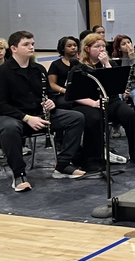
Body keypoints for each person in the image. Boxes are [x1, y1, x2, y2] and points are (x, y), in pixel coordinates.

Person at [0, 31, 87, 190]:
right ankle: (19, 174)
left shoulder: (38, 69)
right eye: (26, 44)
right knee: (9, 128)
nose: (31, 47)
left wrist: (51, 102)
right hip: (15, 117)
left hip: (39, 115)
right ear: (13, 48)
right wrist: (26, 118)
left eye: (32, 43)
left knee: (76, 118)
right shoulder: (3, 72)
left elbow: (48, 93)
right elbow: (2, 104)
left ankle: (63, 165)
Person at [71, 33, 135, 166]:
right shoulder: (79, 67)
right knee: (95, 119)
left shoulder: (109, 63)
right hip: (88, 103)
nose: (101, 49)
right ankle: (93, 157)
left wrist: (106, 63)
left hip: (110, 100)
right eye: (97, 46)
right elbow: (74, 95)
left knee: (130, 115)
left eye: (103, 46)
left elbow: (116, 85)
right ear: (87, 49)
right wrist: (94, 103)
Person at [111, 34, 135, 128]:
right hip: (120, 88)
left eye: (129, 42)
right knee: (115, 103)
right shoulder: (115, 59)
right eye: (124, 44)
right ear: (119, 48)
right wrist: (122, 90)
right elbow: (114, 79)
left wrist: (132, 59)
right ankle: (116, 126)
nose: (128, 45)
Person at [48, 35, 80, 110]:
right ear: (62, 48)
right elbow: (52, 84)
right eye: (69, 46)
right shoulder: (56, 64)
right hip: (63, 93)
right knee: (65, 103)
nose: (73, 47)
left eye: (75, 45)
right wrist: (64, 91)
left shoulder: (82, 63)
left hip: (79, 92)